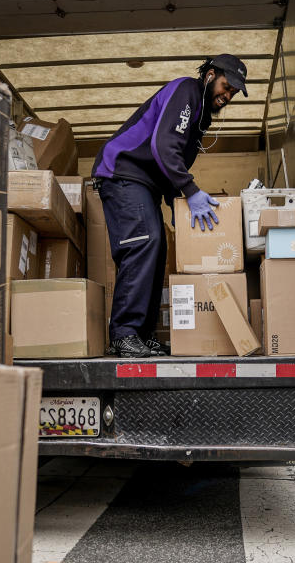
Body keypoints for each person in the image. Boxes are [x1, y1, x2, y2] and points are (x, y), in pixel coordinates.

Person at [91, 54, 249, 358]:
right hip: (122, 171)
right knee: (143, 242)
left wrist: (176, 203)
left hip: (144, 183)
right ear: (210, 75)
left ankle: (142, 334)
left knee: (158, 248)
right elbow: (163, 147)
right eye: (225, 86)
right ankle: (123, 334)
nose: (226, 96)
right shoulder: (187, 91)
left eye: (232, 93)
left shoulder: (201, 115)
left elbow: (168, 162)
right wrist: (190, 191)